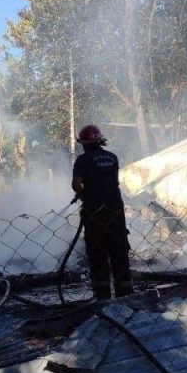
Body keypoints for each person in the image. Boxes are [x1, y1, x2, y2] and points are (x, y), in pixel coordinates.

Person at [71, 125, 133, 300]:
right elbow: (111, 183)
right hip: (116, 212)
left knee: (97, 253)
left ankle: (103, 297)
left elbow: (76, 184)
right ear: (100, 141)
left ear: (84, 144)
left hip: (95, 214)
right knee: (119, 252)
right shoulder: (112, 157)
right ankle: (126, 296)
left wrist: (84, 197)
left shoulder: (82, 160)